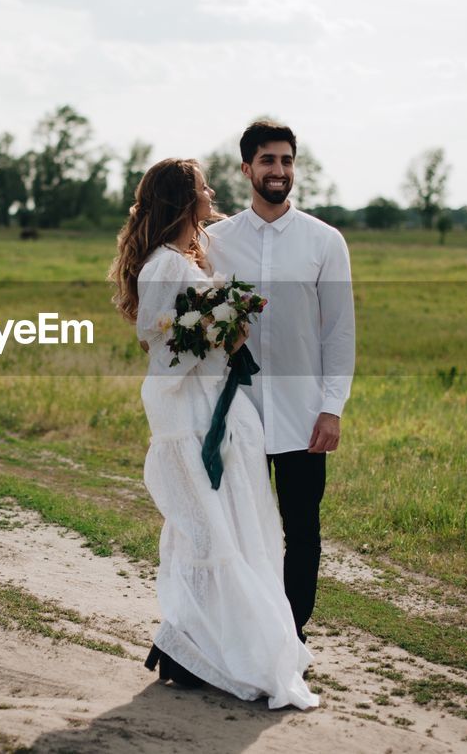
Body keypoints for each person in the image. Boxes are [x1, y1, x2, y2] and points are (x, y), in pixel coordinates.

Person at [109, 157, 318, 710]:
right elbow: (161, 347)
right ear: (185, 200)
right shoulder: (166, 267)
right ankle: (196, 644)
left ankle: (192, 644)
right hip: (196, 419)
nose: (211, 191)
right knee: (205, 533)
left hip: (220, 411)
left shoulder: (186, 258)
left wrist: (223, 324)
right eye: (203, 186)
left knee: (226, 529)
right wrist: (219, 331)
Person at [205, 120, 356, 644]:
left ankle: (290, 633)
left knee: (303, 532)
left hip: (302, 416)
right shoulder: (214, 243)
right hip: (237, 415)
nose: (279, 170)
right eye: (268, 161)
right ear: (247, 169)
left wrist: (332, 407)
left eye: (287, 160)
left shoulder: (324, 241)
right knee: (244, 530)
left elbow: (339, 332)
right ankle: (246, 629)